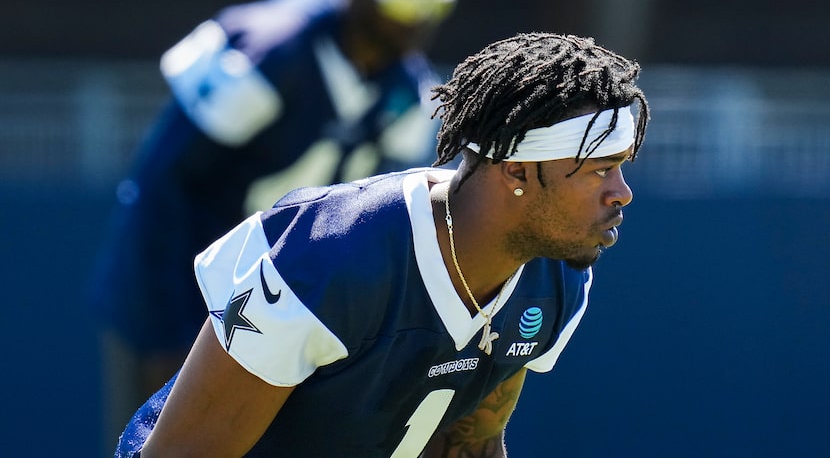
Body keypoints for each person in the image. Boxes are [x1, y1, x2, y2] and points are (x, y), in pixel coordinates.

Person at [114, 32, 650, 457]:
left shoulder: (556, 276)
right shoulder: (328, 255)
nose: (621, 193)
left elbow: (468, 445)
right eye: (601, 170)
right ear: (515, 170)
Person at [88, 0, 461, 451]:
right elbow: (162, 188)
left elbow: (383, 224)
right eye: (406, 2)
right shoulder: (272, 53)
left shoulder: (406, 89)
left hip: (283, 300)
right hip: (180, 289)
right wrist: (166, 332)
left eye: (435, 3)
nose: (420, 19)